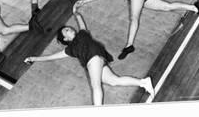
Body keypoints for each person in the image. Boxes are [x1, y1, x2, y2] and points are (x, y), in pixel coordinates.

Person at [24, 10, 154, 105]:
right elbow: (51, 57)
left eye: (69, 28)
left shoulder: (82, 34)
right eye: (67, 31)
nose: (70, 29)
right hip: (95, 60)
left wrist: (76, 13)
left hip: (94, 57)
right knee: (114, 81)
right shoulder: (70, 49)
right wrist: (34, 58)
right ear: (65, 39)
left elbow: (80, 22)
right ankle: (143, 82)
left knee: (95, 86)